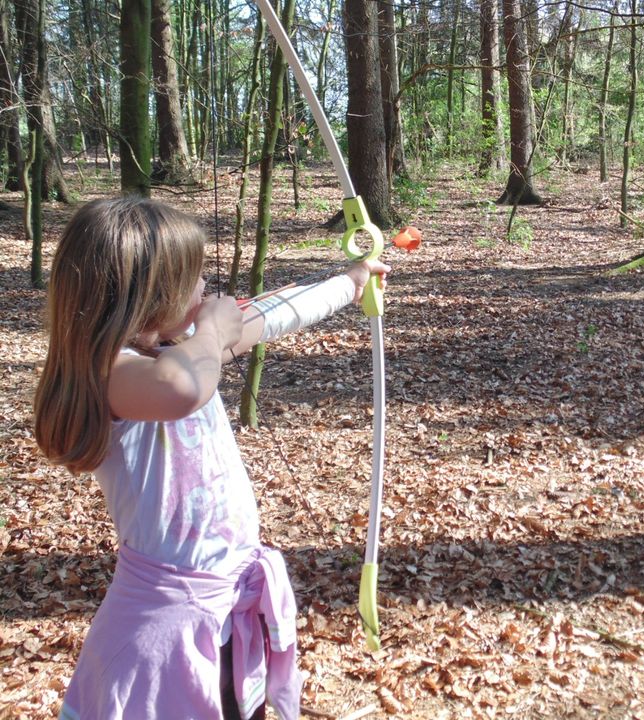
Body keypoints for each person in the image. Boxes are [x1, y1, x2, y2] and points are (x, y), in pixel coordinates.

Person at [33, 197, 389, 719]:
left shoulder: (179, 350)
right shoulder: (117, 373)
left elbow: (271, 318)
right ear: (150, 296)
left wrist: (351, 282)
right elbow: (181, 387)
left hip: (224, 610)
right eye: (194, 278)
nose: (206, 289)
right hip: (165, 627)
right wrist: (214, 332)